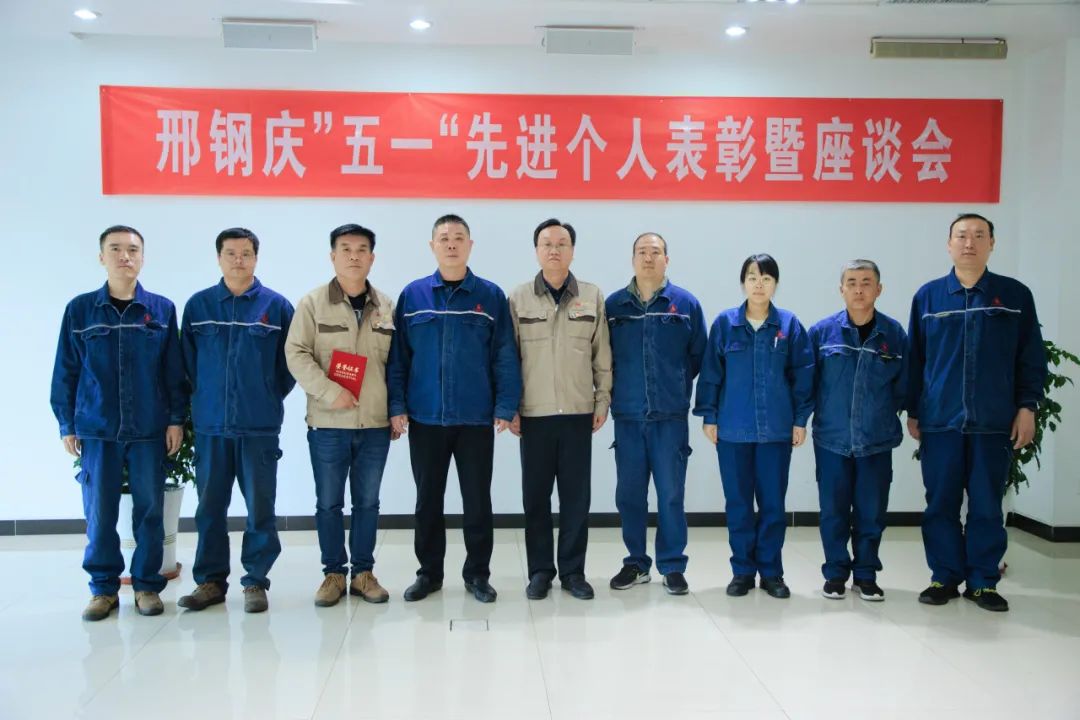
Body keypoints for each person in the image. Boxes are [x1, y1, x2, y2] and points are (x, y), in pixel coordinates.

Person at [907, 213, 1046, 612]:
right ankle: (944, 577)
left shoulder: (1014, 296)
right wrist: (914, 410)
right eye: (962, 236)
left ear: (991, 244)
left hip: (993, 421)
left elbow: (1030, 356)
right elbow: (916, 359)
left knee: (986, 505)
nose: (969, 243)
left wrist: (1027, 407)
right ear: (949, 244)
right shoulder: (928, 297)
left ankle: (983, 582)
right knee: (941, 504)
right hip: (940, 421)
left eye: (978, 236)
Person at [50, 225, 186, 621]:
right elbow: (66, 370)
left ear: (142, 257)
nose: (125, 256)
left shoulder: (161, 310)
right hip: (98, 428)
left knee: (150, 512)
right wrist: (66, 423)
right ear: (101, 257)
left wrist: (175, 420)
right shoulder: (80, 310)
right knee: (100, 513)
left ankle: (146, 586)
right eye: (115, 249)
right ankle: (103, 589)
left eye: (132, 250)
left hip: (148, 428)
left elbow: (173, 371)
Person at [387, 214, 522, 603]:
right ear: (432, 246)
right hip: (425, 416)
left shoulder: (490, 296)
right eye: (444, 238)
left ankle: (477, 574)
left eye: (459, 237)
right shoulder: (413, 296)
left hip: (475, 417)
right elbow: (398, 358)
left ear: (470, 246)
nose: (451, 244)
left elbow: (504, 354)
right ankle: (429, 574)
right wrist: (397, 405)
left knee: (477, 500)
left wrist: (505, 404)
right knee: (427, 500)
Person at [177, 227, 295, 614]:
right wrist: (202, 401)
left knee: (260, 507)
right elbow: (186, 365)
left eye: (246, 253)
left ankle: (255, 581)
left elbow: (289, 366)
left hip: (259, 427)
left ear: (256, 258)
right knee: (209, 508)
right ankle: (210, 582)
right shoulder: (199, 307)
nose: (238, 260)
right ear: (219, 258)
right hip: (211, 426)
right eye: (230, 253)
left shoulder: (277, 307)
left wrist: (265, 394)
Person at [285, 224, 397, 606]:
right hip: (328, 424)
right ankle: (333, 574)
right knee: (329, 503)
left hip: (374, 425)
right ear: (332, 256)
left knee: (368, 503)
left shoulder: (386, 307)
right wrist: (330, 392)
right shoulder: (312, 304)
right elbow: (295, 353)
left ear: (372, 258)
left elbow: (397, 365)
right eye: (345, 249)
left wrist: (396, 411)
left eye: (362, 249)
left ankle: (363, 573)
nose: (354, 256)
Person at [693, 253, 814, 599]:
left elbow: (803, 374)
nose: (758, 285)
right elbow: (711, 373)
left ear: (775, 284)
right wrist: (709, 416)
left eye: (766, 278)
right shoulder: (725, 324)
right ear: (743, 283)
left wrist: (800, 420)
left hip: (776, 431)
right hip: (733, 431)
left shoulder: (789, 325)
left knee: (773, 505)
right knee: (738, 504)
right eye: (752, 277)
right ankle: (743, 572)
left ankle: (772, 573)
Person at [508, 218, 611, 601]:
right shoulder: (518, 298)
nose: (554, 249)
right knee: (535, 498)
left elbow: (602, 356)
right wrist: (510, 406)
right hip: (533, 415)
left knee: (575, 499)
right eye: (547, 244)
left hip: (577, 414)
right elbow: (509, 358)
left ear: (572, 251)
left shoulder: (592, 296)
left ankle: (572, 572)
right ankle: (540, 571)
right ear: (537, 251)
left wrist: (602, 400)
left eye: (562, 243)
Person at [605, 232, 707, 596]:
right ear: (632, 259)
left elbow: (698, 356)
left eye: (656, 252)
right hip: (628, 416)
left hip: (670, 418)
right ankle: (636, 562)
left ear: (667, 259)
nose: (648, 258)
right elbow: (604, 357)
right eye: (642, 252)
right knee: (629, 496)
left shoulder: (685, 304)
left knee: (671, 495)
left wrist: (674, 385)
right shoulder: (614, 306)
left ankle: (672, 565)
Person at [808, 259, 907, 602]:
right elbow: (809, 383)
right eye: (851, 282)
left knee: (871, 512)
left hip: (876, 440)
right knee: (833, 511)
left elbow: (904, 386)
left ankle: (866, 575)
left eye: (866, 282)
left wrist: (884, 415)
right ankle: (835, 573)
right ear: (841, 290)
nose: (859, 289)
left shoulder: (894, 335)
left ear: (879, 289)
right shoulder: (822, 333)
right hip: (831, 439)